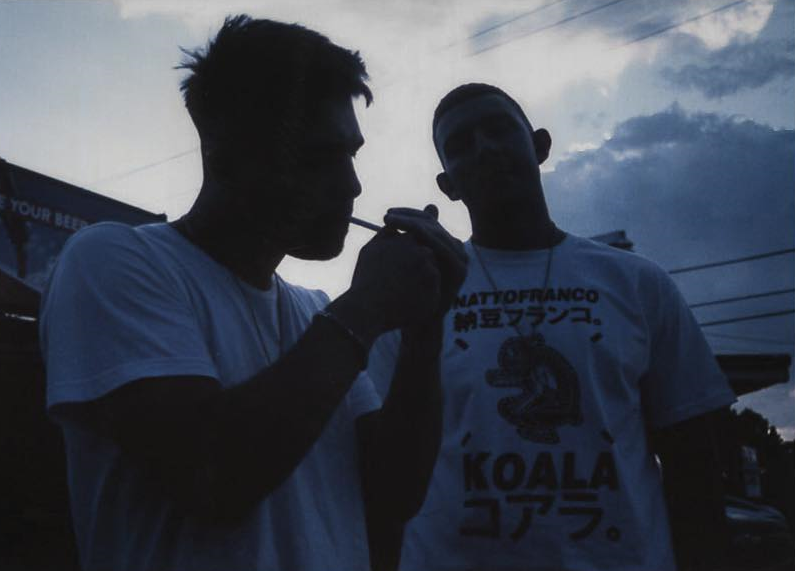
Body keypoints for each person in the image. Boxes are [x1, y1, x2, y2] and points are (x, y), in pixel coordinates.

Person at [39, 16, 466, 571]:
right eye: (317, 157)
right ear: (223, 154)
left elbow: (390, 496)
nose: (351, 185)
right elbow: (211, 477)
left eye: (352, 154)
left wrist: (424, 331)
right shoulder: (111, 260)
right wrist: (365, 308)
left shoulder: (314, 313)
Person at [368, 83, 736, 571]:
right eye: (460, 144)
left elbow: (694, 467)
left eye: (498, 129)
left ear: (540, 145)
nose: (484, 148)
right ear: (447, 185)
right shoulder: (416, 294)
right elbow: (381, 476)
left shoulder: (636, 283)